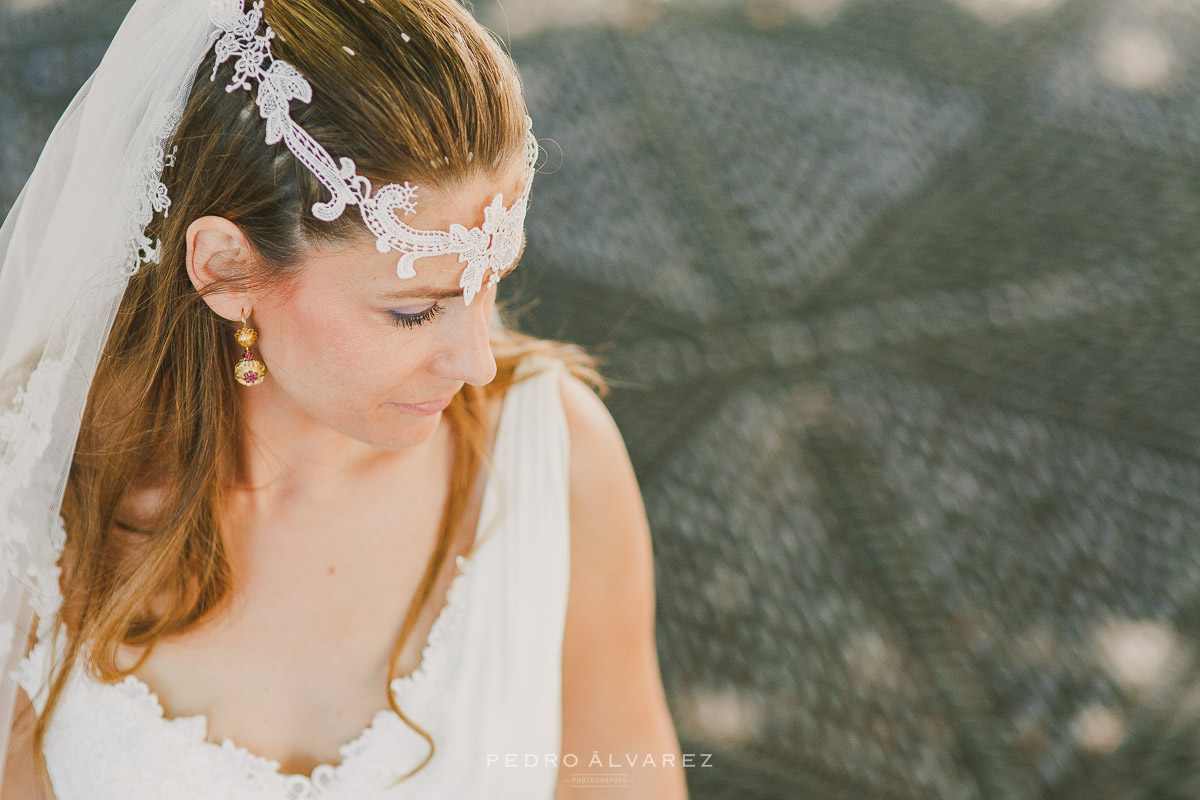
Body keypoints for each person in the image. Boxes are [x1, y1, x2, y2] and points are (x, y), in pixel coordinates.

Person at [0, 0, 687, 797]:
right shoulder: (39, 486)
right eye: (415, 310)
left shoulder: (556, 455)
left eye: (492, 281)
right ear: (226, 269)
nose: (478, 364)